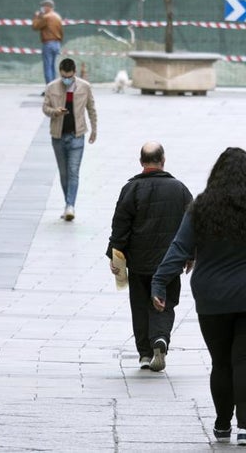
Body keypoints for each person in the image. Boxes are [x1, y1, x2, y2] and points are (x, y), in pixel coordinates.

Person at [152, 148, 246, 446]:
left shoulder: (202, 206)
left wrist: (159, 282)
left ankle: (222, 426)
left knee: (221, 362)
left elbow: (179, 248)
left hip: (214, 297)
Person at [106, 142, 192, 372]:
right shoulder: (180, 189)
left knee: (140, 305)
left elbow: (120, 226)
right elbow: (193, 224)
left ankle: (145, 353)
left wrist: (114, 256)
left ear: (141, 161)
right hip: (169, 262)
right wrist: (191, 254)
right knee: (165, 302)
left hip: (139, 262)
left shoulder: (131, 189)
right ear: (163, 160)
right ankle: (160, 339)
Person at [42, 57, 98, 221]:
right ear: (60, 73)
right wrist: (55, 111)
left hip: (77, 136)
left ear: (74, 73)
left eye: (69, 76)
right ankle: (68, 203)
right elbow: (45, 108)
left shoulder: (84, 87)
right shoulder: (52, 87)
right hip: (58, 136)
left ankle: (70, 205)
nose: (67, 79)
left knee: (73, 172)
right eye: (64, 76)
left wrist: (94, 129)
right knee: (64, 173)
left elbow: (91, 109)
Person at [32, 0, 64, 85]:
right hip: (57, 43)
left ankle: (49, 89)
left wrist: (37, 17)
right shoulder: (58, 17)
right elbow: (61, 31)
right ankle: (55, 87)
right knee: (53, 66)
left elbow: (35, 26)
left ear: (47, 7)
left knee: (48, 67)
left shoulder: (46, 17)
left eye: (43, 6)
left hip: (48, 43)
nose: (42, 8)